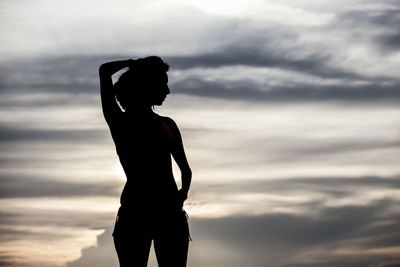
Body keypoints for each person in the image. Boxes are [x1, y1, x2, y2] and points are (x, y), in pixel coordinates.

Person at [99, 56, 192, 267]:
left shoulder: (160, 124)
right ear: (146, 86)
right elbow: (104, 71)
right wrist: (137, 63)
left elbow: (186, 171)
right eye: (163, 84)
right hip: (143, 215)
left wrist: (181, 196)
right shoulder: (120, 122)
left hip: (153, 214)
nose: (167, 91)